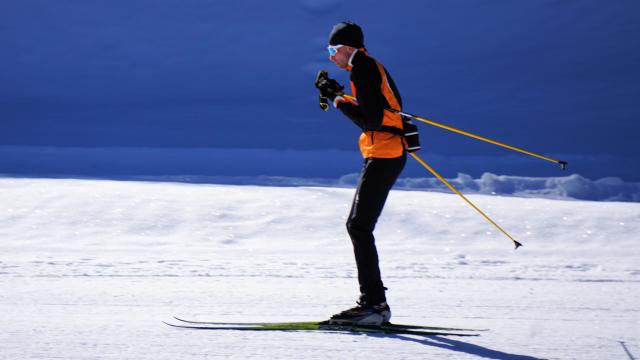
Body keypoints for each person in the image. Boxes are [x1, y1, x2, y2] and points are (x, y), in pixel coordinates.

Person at [315, 21, 411, 325]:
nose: (331, 57)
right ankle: (374, 304)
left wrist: (338, 99)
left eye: (332, 50)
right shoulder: (366, 67)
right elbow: (375, 110)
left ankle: (374, 305)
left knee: (358, 226)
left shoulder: (364, 68)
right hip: (383, 152)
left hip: (385, 153)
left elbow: (369, 120)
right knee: (359, 226)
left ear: (346, 48)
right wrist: (340, 95)